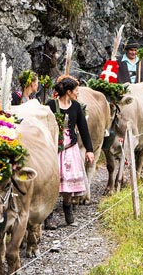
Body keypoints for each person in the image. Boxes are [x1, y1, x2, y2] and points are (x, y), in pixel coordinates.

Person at [45, 75, 94, 228]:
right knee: (53, 181)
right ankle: (49, 215)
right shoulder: (51, 105)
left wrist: (89, 150)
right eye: (75, 90)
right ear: (68, 91)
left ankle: (68, 210)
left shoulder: (76, 107)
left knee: (69, 181)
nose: (77, 93)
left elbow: (83, 129)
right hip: (54, 147)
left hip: (70, 147)